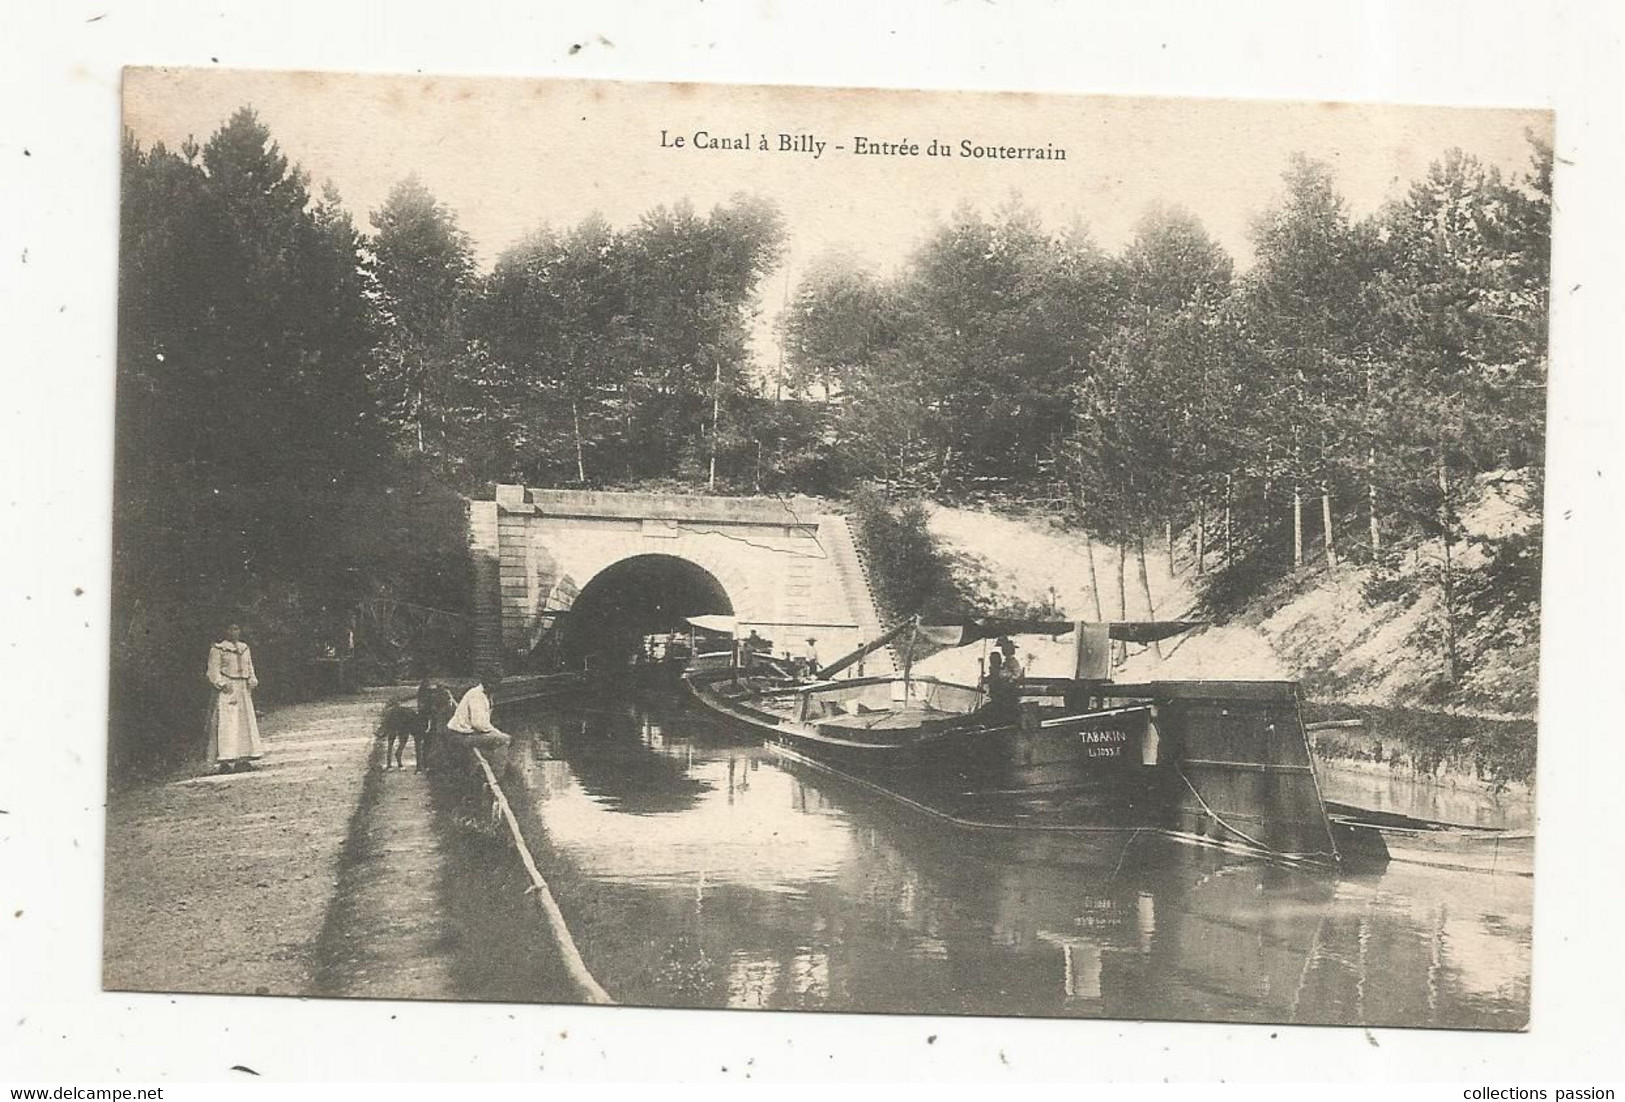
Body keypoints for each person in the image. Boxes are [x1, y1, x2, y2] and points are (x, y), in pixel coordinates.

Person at [206, 621, 263, 773]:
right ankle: (225, 761)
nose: (234, 632)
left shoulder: (244, 648)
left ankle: (243, 758)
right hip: (228, 690)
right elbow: (213, 670)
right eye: (230, 629)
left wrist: (251, 678)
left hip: (243, 688)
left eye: (237, 629)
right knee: (228, 723)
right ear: (225, 631)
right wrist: (222, 683)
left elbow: (249, 666)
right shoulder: (219, 649)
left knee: (243, 722)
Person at [446, 672, 512, 768]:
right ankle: (496, 778)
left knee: (496, 738)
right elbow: (479, 724)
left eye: (497, 683)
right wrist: (498, 733)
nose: (495, 686)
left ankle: (490, 765)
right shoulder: (477, 695)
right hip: (460, 736)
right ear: (486, 682)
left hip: (466, 733)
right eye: (493, 683)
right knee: (504, 740)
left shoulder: (485, 695)